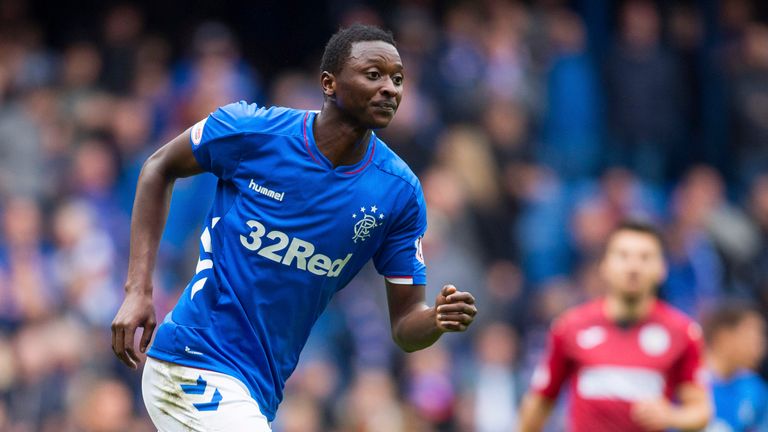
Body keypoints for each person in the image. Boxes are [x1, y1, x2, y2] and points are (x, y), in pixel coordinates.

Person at [110, 24, 478, 432]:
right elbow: (158, 167)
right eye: (374, 75)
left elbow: (406, 325)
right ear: (329, 83)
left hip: (257, 389)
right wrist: (138, 291)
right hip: (192, 359)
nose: (390, 88)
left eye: (397, 79)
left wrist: (436, 319)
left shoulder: (399, 193)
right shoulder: (252, 132)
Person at [518, 220, 711, 432]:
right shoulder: (570, 327)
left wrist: (671, 415)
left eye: (645, 257)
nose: (633, 266)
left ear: (662, 268)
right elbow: (538, 405)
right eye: (623, 256)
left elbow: (701, 411)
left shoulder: (683, 332)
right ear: (605, 265)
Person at [702, 302, 768, 431]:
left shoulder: (754, 388)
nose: (760, 347)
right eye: (752, 337)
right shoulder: (688, 382)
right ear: (724, 336)